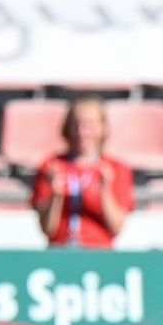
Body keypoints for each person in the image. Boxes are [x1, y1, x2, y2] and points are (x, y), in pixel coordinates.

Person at [33, 96, 133, 248]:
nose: (82, 132)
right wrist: (56, 195)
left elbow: (116, 228)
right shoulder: (52, 166)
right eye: (76, 125)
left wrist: (104, 191)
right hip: (61, 248)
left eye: (90, 125)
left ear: (102, 127)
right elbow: (47, 229)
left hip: (99, 250)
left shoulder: (116, 168)